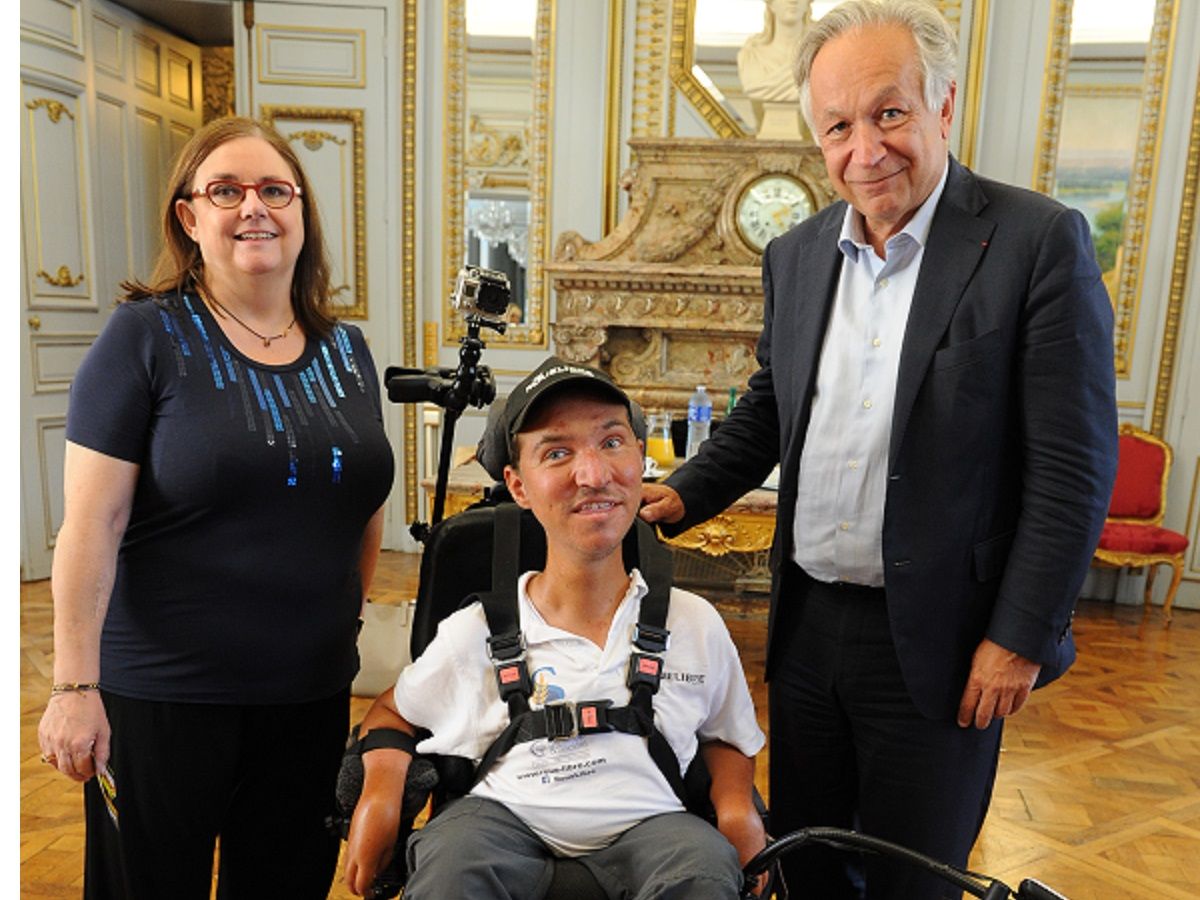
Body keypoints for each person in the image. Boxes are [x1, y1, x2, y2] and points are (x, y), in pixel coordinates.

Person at [640, 1, 1118, 897]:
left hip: (946, 637)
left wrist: (1017, 637)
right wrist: (676, 494)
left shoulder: (1036, 241)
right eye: (838, 125)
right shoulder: (796, 253)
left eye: (889, 112)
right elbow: (772, 407)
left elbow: (1072, 470)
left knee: (918, 879)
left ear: (942, 105)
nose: (866, 148)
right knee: (808, 862)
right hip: (809, 628)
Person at [36, 115, 395, 899]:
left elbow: (360, 506)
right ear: (189, 217)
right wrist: (73, 688)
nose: (254, 207)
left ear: (302, 213)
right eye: (225, 191)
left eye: (275, 189)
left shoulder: (347, 350)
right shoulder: (145, 337)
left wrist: (346, 626)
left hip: (308, 696)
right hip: (165, 698)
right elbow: (91, 525)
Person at [343, 357, 766, 899]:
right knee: (448, 873)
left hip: (653, 827)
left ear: (641, 459)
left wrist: (735, 811)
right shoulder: (477, 630)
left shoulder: (693, 623)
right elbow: (392, 713)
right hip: (501, 822)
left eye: (612, 443)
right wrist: (381, 790)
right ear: (518, 486)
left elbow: (727, 736)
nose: (593, 474)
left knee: (705, 872)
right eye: (557, 453)